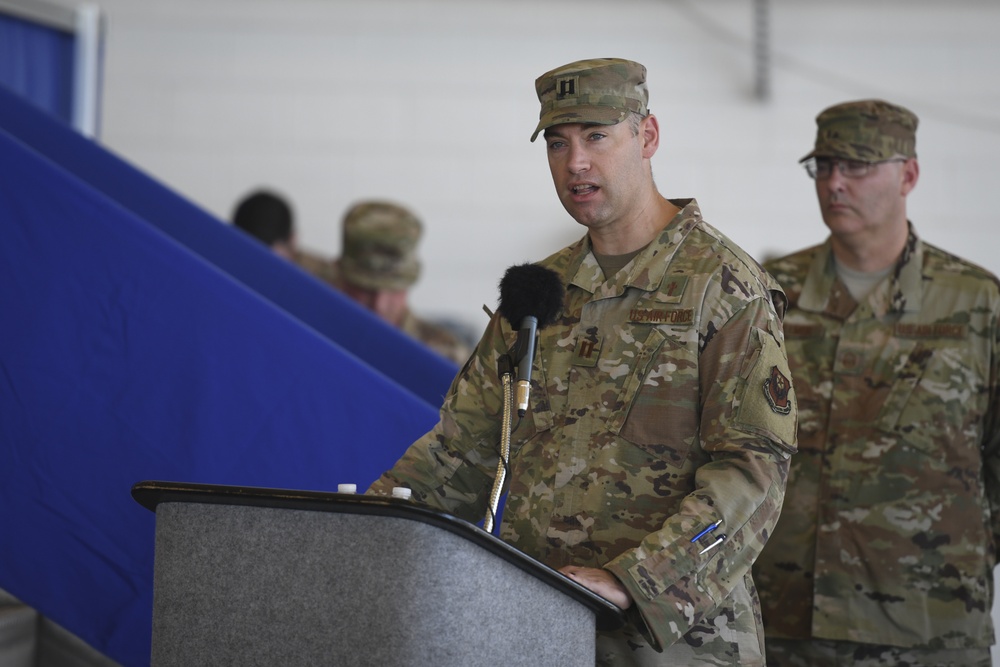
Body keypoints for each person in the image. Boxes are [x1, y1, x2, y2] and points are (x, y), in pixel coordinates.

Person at [367, 57, 798, 666]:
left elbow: (753, 474)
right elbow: (462, 448)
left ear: (646, 137)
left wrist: (636, 580)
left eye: (597, 136)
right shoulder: (539, 292)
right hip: (540, 628)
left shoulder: (723, 288)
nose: (576, 164)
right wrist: (368, 524)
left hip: (675, 642)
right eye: (558, 142)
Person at [753, 100, 1000, 667]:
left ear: (908, 175)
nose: (836, 184)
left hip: (928, 621)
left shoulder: (975, 301)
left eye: (858, 167)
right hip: (786, 618)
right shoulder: (767, 294)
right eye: (824, 167)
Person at [331, 200, 472, 364]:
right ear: (339, 274)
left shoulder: (448, 356)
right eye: (366, 289)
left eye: (393, 290)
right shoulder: (316, 331)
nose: (379, 304)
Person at [231, 189, 338, 284]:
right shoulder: (225, 267)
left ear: (293, 241)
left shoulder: (326, 280)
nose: (260, 268)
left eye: (269, 258)